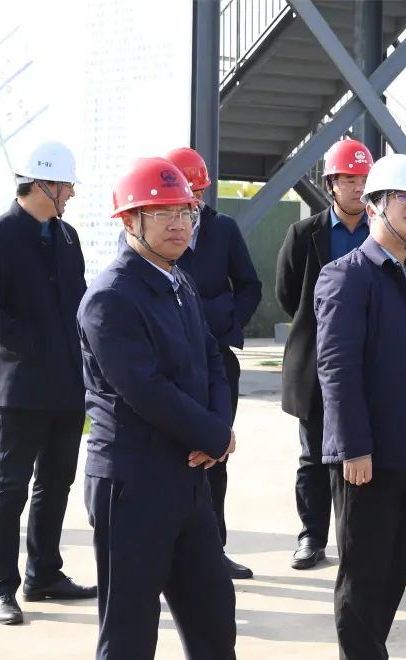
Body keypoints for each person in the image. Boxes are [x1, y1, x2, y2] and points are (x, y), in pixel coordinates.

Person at [78, 157, 242, 660]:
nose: (178, 224)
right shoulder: (111, 297)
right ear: (130, 221)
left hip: (190, 477)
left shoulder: (180, 283)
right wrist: (212, 433)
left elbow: (212, 361)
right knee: (130, 629)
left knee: (213, 611)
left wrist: (218, 430)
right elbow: (144, 390)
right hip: (133, 483)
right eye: (161, 213)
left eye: (185, 212)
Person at [316, 154, 406, 660]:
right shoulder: (348, 275)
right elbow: (336, 367)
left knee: (393, 569)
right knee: (364, 574)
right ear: (373, 206)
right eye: (403, 198)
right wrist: (353, 447)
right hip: (368, 455)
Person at [0, 140, 96, 626]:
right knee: (9, 487)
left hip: (67, 385)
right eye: (67, 186)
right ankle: (1, 587)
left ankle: (44, 574)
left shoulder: (67, 237)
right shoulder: (2, 234)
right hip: (20, 386)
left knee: (56, 481)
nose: (72, 193)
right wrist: (33, 345)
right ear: (43, 184)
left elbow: (78, 302)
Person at [276, 138, 374, 570]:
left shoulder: (382, 230)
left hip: (371, 361)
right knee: (314, 455)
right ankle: (312, 536)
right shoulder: (304, 234)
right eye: (348, 179)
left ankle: (359, 539)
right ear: (331, 184)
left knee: (364, 454)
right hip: (317, 363)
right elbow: (287, 295)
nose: (357, 187)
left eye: (364, 179)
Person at [166, 146, 262, 580]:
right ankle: (168, 553)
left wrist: (228, 324)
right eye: (188, 193)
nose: (194, 202)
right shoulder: (156, 233)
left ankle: (213, 551)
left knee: (216, 455)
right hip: (170, 362)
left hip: (217, 359)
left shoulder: (223, 229)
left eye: (200, 193)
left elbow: (249, 285)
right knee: (172, 459)